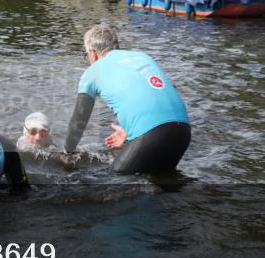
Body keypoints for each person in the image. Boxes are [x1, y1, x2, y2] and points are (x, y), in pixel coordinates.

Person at [64, 24, 191, 175]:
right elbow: (160, 94)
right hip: (183, 130)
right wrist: (129, 132)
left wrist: (67, 153)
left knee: (118, 183)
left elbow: (79, 119)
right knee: (165, 185)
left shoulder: (92, 72)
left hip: (151, 133)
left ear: (93, 53)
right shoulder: (142, 56)